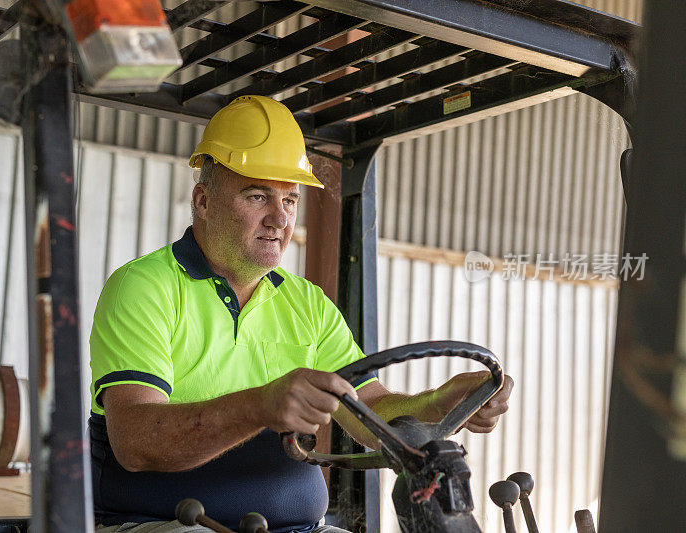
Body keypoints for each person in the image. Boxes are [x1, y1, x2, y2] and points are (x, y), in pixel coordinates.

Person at [89, 95, 513, 533]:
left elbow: (367, 413)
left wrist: (437, 403)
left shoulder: (306, 303)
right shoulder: (145, 287)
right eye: (257, 196)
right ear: (203, 200)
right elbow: (136, 443)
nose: (279, 219)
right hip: (163, 523)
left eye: (290, 201)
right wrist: (258, 406)